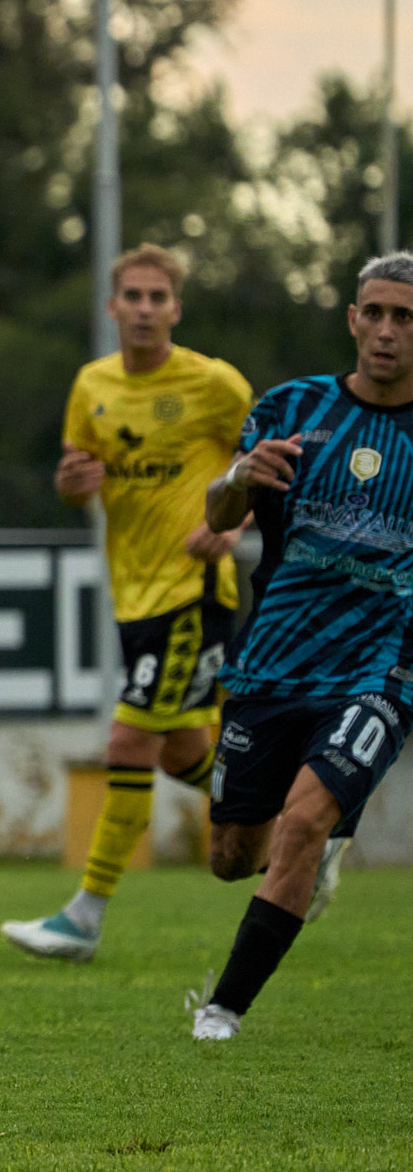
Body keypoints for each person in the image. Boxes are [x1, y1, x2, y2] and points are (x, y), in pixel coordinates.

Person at [0, 244, 252, 961]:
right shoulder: (92, 385)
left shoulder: (215, 384)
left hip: (193, 590)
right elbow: (78, 482)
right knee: (181, 754)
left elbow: (269, 470)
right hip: (132, 592)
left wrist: (229, 521)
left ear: (177, 308)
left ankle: (85, 914)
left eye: (157, 297)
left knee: (127, 741)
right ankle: (299, 823)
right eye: (132, 296)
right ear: (112, 307)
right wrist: (73, 485)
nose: (144, 308)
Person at [186, 252, 413, 1041]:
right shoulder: (291, 408)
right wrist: (240, 474)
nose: (388, 331)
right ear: (352, 318)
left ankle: (223, 1009)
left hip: (381, 667)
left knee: (304, 820)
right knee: (229, 854)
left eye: (406, 317)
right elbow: (218, 516)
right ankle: (315, 853)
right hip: (275, 658)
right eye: (376, 313)